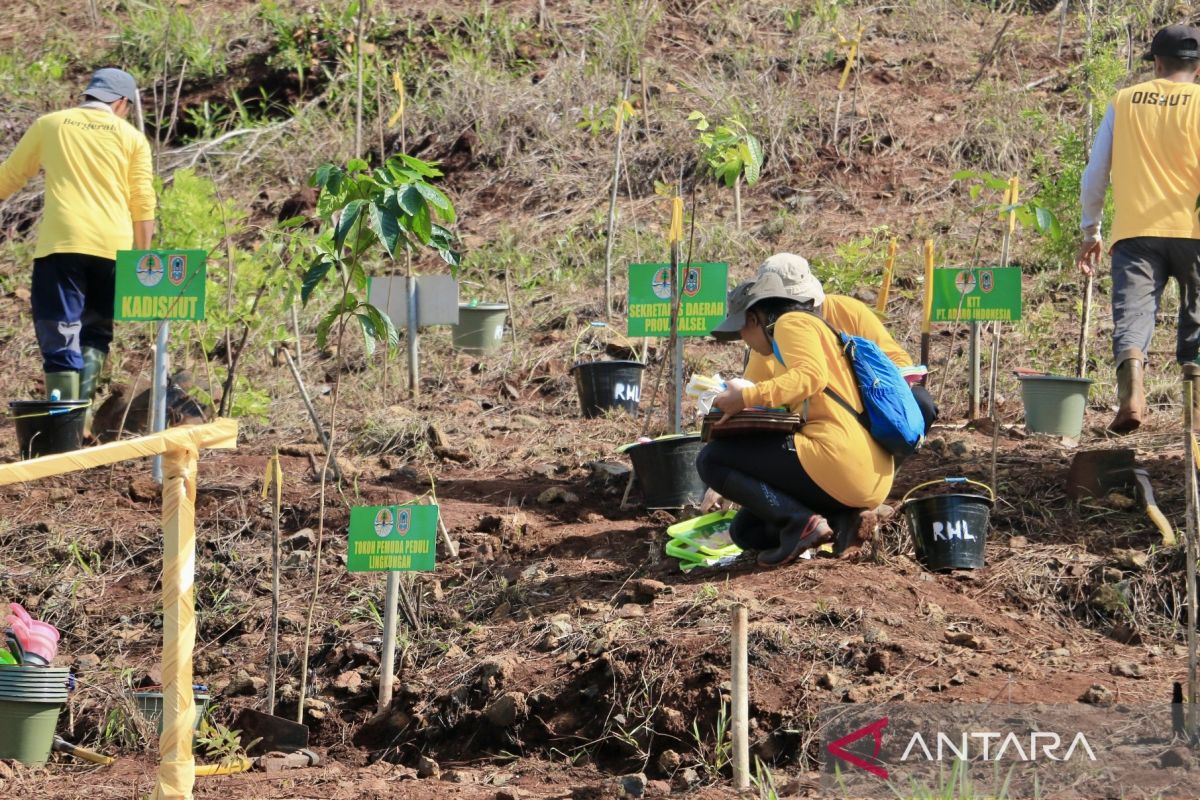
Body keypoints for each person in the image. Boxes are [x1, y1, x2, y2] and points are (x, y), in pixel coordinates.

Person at [695, 271, 895, 568]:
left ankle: (800, 523)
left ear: (754, 319)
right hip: (863, 475)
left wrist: (747, 398)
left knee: (711, 459)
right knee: (747, 531)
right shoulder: (805, 335)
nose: (744, 341)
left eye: (741, 333)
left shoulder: (791, 322)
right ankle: (842, 517)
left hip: (838, 457)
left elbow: (810, 376)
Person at [0, 67, 156, 434]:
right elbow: (143, 199)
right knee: (96, 331)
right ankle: (82, 419)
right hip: (112, 248)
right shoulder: (131, 137)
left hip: (62, 244)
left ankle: (63, 429)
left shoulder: (50, 124)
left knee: (59, 332)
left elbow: (10, 176)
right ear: (121, 103)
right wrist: (141, 257)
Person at [1077, 24, 1200, 433]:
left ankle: (1131, 397)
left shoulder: (1125, 101)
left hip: (1135, 232)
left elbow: (1096, 171)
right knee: (1197, 317)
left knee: (1132, 316)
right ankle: (1194, 413)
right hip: (1194, 230)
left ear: (1158, 63)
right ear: (1196, 68)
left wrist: (1090, 229)